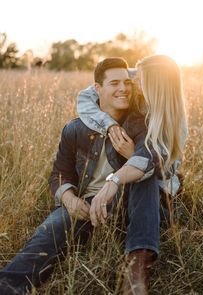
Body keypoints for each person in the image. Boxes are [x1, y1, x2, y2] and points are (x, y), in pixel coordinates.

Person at [0, 57, 163, 295]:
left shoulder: (141, 124)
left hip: (124, 205)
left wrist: (115, 180)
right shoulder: (74, 129)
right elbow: (59, 174)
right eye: (114, 83)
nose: (123, 89)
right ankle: (8, 286)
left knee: (146, 177)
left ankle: (135, 277)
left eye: (127, 83)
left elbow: (150, 160)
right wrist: (69, 199)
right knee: (42, 242)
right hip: (84, 207)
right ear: (98, 89)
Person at [77, 55, 187, 219]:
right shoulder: (139, 73)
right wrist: (109, 124)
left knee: (143, 181)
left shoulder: (175, 123)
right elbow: (85, 96)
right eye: (135, 77)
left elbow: (167, 170)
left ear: (154, 85)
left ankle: (143, 240)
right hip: (125, 174)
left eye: (139, 80)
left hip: (157, 185)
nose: (133, 83)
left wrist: (133, 156)